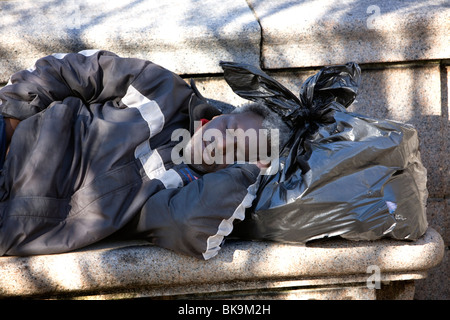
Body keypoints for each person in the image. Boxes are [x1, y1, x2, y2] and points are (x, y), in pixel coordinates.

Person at [0, 50, 290, 260]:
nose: (222, 145)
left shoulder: (187, 193)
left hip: (14, 217)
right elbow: (74, 69)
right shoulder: (166, 92)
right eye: (228, 128)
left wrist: (248, 173)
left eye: (238, 151)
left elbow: (188, 226)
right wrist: (14, 115)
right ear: (215, 118)